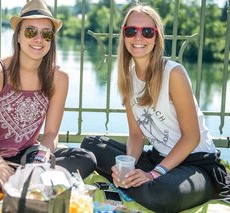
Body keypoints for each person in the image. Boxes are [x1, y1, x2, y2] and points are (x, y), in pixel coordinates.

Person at [81, 4, 229, 213]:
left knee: (161, 195)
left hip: (196, 164)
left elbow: (191, 137)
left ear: (157, 37)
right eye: (131, 31)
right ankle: (137, 182)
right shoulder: (128, 77)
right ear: (124, 36)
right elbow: (136, 134)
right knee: (91, 145)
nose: (138, 38)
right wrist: (128, 165)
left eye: (147, 32)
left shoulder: (174, 73)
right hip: (159, 157)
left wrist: (154, 174)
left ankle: (146, 184)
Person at [0, 0, 96, 199]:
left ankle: (24, 183)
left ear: (51, 39)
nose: (38, 39)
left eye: (46, 33)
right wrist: (2, 169)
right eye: (30, 31)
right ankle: (27, 186)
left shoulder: (59, 78)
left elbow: (51, 133)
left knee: (85, 158)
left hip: (26, 156)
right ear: (18, 35)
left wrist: (40, 161)